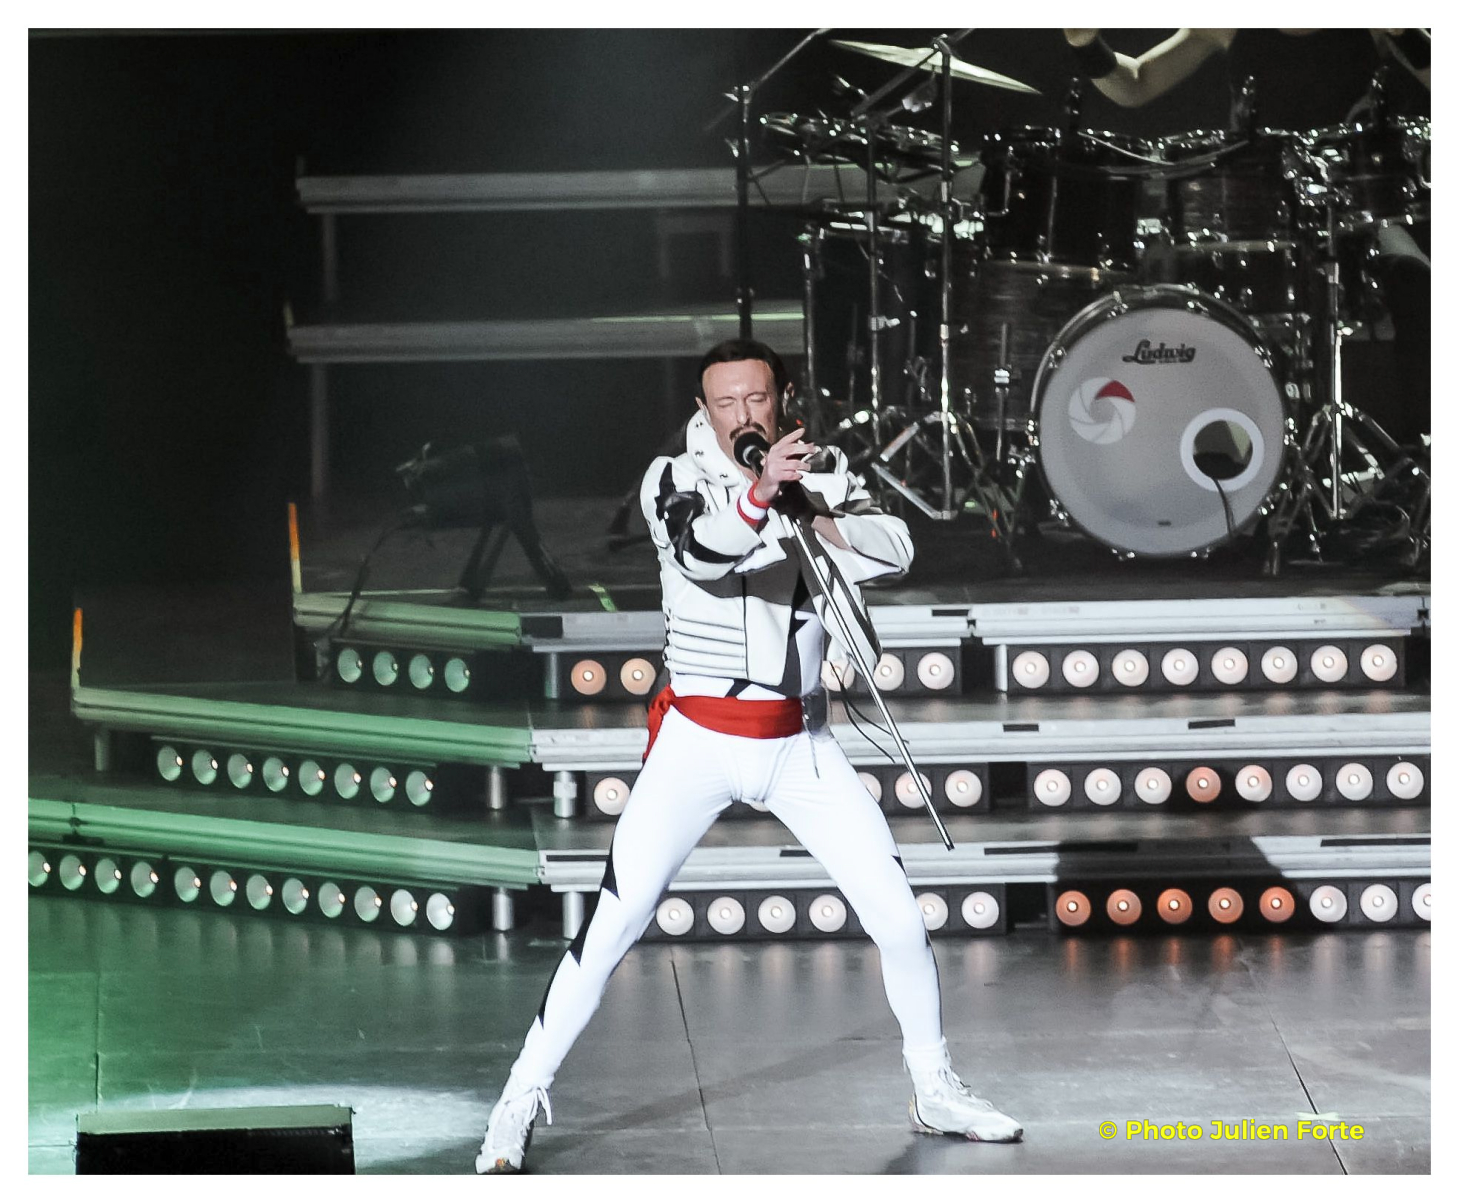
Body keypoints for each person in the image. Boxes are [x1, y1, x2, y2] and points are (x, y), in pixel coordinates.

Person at [475, 338, 1023, 1173]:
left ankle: (934, 1086)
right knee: (614, 922)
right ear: (703, 410)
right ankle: (518, 1098)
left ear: (782, 399)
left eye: (755, 399)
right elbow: (700, 554)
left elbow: (899, 549)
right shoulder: (672, 478)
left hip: (799, 741)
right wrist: (760, 499)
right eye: (724, 403)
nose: (741, 416)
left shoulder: (824, 472)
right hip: (697, 740)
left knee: (899, 917)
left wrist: (811, 509)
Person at [1063, 27, 1431, 434]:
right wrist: (1085, 44)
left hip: (1353, 212)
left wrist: (1408, 33)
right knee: (1212, 309)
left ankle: (1422, 451)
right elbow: (1137, 83)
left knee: (1417, 280)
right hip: (1259, 216)